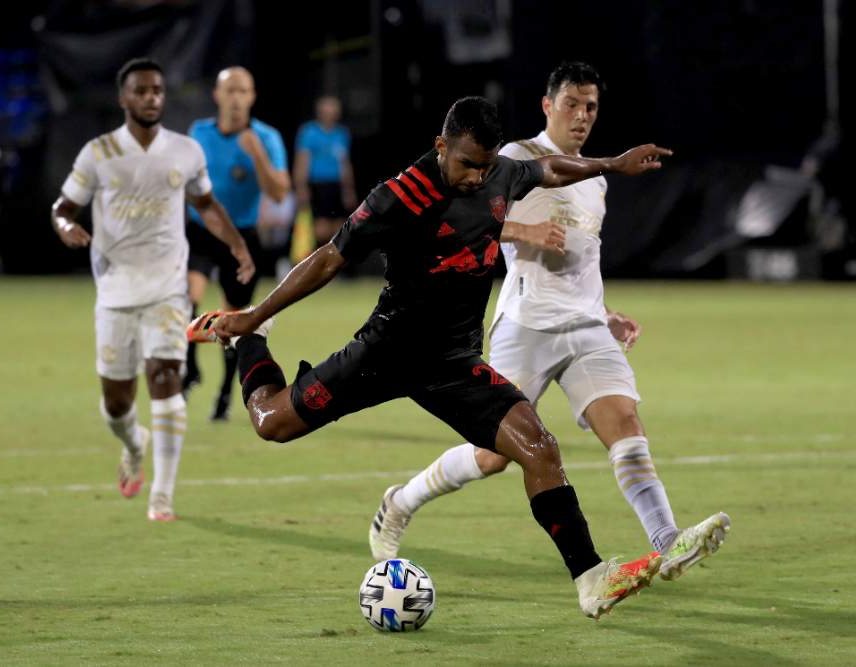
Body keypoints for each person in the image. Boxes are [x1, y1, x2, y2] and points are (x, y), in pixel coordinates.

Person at [189, 96, 673, 619]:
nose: (476, 177)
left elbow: (549, 167)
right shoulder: (398, 196)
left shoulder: (498, 174)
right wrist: (255, 314)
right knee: (271, 422)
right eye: (467, 164)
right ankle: (248, 341)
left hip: (452, 362)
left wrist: (611, 163)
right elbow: (329, 258)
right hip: (386, 351)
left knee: (539, 447)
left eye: (485, 166)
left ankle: (591, 578)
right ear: (441, 146)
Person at [367, 62, 731, 582]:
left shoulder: (595, 184)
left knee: (625, 425)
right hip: (526, 325)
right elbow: (453, 220)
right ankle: (402, 500)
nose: (582, 116)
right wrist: (520, 230)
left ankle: (667, 542)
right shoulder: (514, 157)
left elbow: (584, 262)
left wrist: (604, 313)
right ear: (547, 105)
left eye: (591, 107)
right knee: (493, 456)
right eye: (572, 104)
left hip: (584, 327)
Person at [50, 58, 254, 521]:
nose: (151, 98)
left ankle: (162, 494)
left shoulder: (184, 151)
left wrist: (238, 246)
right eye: (141, 91)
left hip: (168, 289)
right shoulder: (98, 153)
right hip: (116, 293)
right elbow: (63, 207)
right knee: (117, 404)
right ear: (125, 98)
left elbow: (207, 205)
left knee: (165, 378)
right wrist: (65, 226)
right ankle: (134, 442)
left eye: (158, 91)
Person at [183, 66, 290, 421]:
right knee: (186, 298)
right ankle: (190, 367)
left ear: (252, 97)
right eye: (230, 91)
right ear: (217, 96)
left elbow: (278, 193)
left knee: (232, 324)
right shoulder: (199, 133)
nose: (236, 99)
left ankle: (225, 395)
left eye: (243, 91)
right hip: (200, 230)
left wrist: (256, 153)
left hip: (242, 237)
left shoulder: (266, 138)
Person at [292, 95, 356, 248]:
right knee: (321, 229)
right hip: (318, 185)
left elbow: (345, 164)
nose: (330, 114)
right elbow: (302, 161)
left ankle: (336, 266)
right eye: (326, 110)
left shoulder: (342, 134)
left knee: (340, 227)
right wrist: (301, 187)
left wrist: (349, 190)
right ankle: (319, 264)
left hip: (337, 185)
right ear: (319, 112)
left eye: (333, 110)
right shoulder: (309, 132)